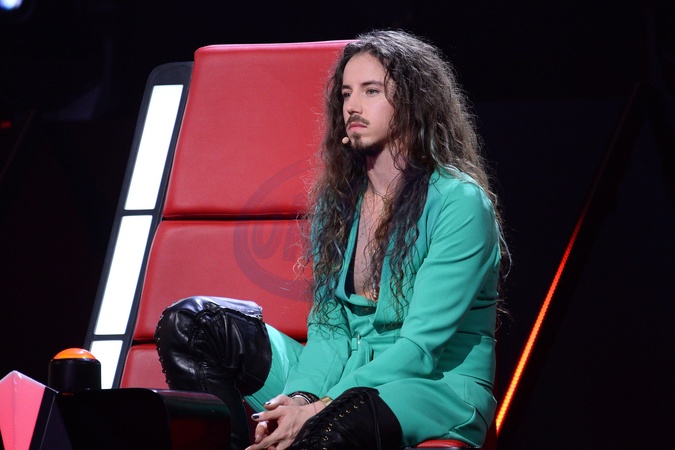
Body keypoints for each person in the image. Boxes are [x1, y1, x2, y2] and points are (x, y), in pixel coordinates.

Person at [155, 29, 507, 450]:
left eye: (371, 91)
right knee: (193, 324)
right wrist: (298, 399)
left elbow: (420, 348)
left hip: (429, 386)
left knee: (332, 425)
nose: (352, 106)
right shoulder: (340, 201)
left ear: (414, 104)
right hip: (340, 378)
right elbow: (329, 330)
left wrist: (320, 408)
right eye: (345, 93)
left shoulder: (458, 203)